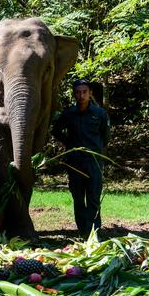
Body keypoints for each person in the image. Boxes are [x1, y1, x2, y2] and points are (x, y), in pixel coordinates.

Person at [52, 79, 110, 239]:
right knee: (78, 198)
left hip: (94, 162)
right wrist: (69, 144)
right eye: (78, 92)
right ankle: (83, 232)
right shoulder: (68, 114)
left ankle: (94, 233)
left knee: (93, 199)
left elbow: (105, 136)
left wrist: (96, 150)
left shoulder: (100, 114)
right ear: (74, 94)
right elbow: (56, 131)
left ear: (90, 93)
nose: (81, 95)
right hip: (75, 163)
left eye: (84, 92)